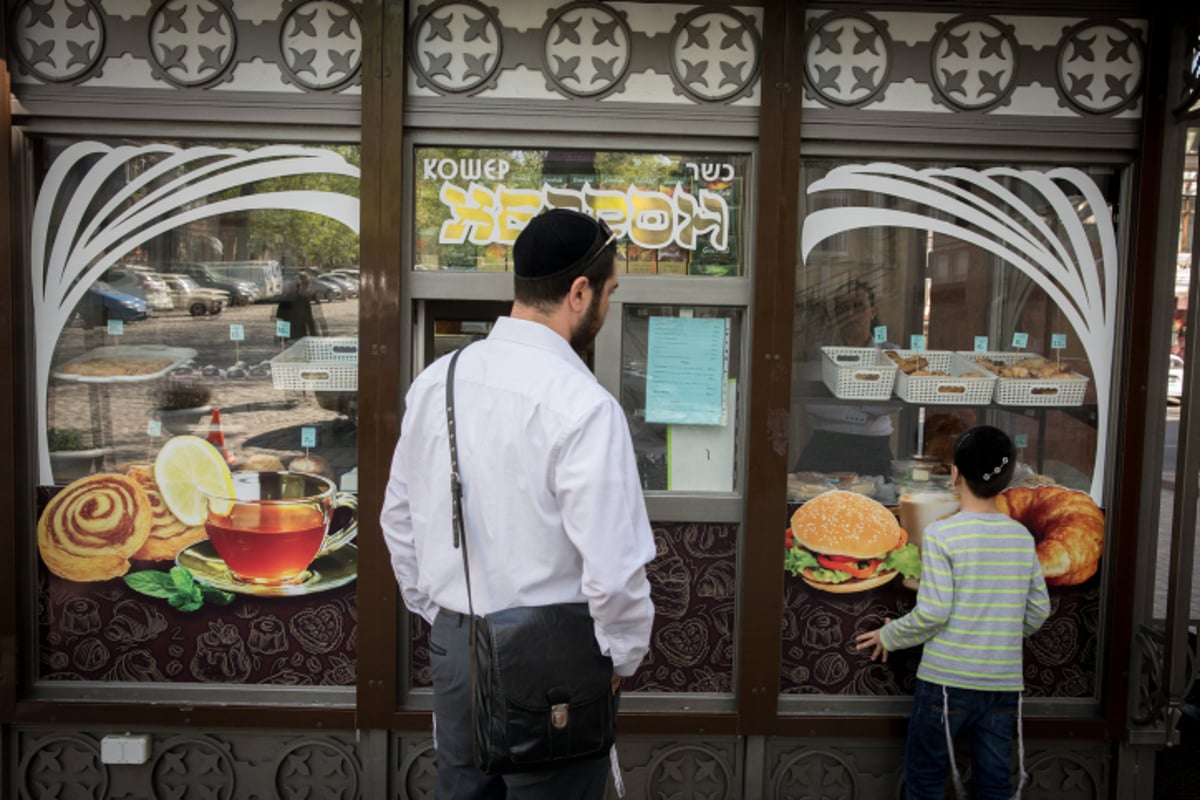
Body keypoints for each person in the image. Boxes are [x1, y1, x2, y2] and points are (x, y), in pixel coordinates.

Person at [380, 208, 657, 799]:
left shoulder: (437, 381)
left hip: (460, 652)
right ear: (579, 293)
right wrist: (621, 659)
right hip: (557, 662)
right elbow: (612, 571)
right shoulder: (584, 405)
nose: (606, 309)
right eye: (608, 293)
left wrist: (448, 621)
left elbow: (397, 520)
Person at [855, 426, 1050, 800]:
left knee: (926, 779)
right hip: (1002, 683)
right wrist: (998, 633)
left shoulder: (943, 535)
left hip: (946, 683)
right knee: (994, 782)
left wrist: (888, 635)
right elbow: (1038, 609)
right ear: (1007, 480)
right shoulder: (1021, 537)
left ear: (956, 474)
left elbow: (933, 613)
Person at [795, 278, 898, 477]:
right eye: (843, 308)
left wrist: (842, 394)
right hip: (827, 445)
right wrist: (865, 405)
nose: (851, 314)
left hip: (873, 448)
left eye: (858, 306)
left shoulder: (890, 353)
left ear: (873, 310)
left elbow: (891, 403)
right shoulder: (820, 353)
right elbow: (813, 404)